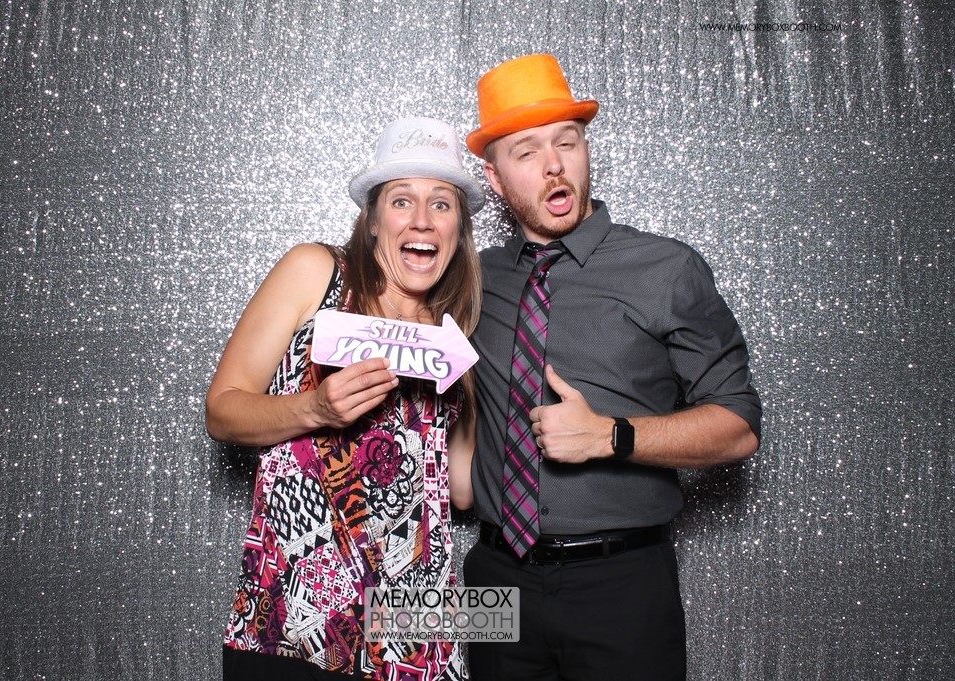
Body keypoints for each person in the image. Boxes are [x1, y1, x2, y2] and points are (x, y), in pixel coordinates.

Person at [461, 53, 762, 680]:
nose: (553, 165)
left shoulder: (667, 269)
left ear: (586, 150)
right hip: (492, 579)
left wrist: (611, 436)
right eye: (526, 152)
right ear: (495, 179)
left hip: (621, 584)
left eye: (566, 143)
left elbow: (738, 428)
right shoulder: (474, 280)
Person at [207, 116, 485, 680]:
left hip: (415, 630)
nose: (422, 219)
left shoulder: (454, 333)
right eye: (402, 201)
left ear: (458, 228)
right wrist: (314, 408)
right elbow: (222, 409)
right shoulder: (318, 273)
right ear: (373, 219)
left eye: (441, 204)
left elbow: (460, 488)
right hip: (296, 614)